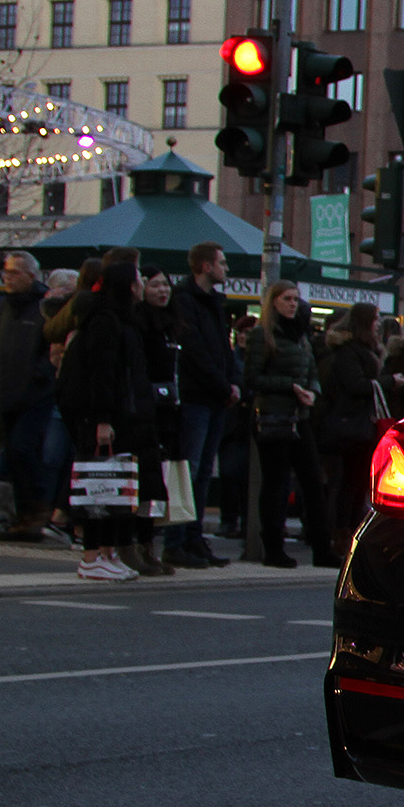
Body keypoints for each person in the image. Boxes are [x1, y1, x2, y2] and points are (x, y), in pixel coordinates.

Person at [55, 263, 158, 582]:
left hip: (109, 412)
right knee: (99, 485)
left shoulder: (112, 317)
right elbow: (102, 374)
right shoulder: (105, 320)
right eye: (138, 278)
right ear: (128, 285)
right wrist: (102, 419)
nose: (142, 283)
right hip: (98, 414)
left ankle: (106, 552)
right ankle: (92, 554)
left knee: (111, 486)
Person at [244, 280, 338, 569]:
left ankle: (322, 548)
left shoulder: (300, 336)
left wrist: (311, 390)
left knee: (313, 481)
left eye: (296, 299)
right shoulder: (263, 335)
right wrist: (290, 386)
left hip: (300, 416)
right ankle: (273, 547)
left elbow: (311, 371)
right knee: (276, 483)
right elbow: (252, 378)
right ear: (273, 302)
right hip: (274, 416)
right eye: (287, 299)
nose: (292, 304)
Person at [166, 242, 241, 567]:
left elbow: (221, 349)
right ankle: (177, 540)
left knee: (200, 472)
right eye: (222, 263)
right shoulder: (185, 300)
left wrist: (231, 381)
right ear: (206, 266)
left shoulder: (211, 302)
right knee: (190, 470)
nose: (226, 269)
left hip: (213, 396)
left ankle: (193, 539)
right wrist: (225, 384)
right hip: (198, 396)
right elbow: (195, 350)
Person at [0, 253, 61, 541]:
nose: (8, 278)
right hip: (5, 393)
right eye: (6, 273)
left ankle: (36, 509)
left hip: (34, 394)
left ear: (31, 275)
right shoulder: (2, 310)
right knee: (14, 456)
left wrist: (39, 376)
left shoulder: (44, 308)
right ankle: (24, 514)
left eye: (15, 273)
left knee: (22, 449)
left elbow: (51, 348)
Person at [126, 268, 185, 575]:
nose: (163, 290)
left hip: (168, 410)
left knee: (157, 480)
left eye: (166, 284)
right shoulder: (139, 324)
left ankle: (148, 544)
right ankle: (137, 543)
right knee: (143, 479)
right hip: (145, 409)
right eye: (155, 285)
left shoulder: (171, 325)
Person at [316, 302, 387, 539]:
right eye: (375, 319)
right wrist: (384, 383)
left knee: (355, 483)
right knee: (348, 482)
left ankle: (348, 530)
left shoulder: (360, 349)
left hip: (357, 423)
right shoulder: (349, 351)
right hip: (350, 425)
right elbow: (355, 385)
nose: (378, 324)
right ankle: (341, 533)